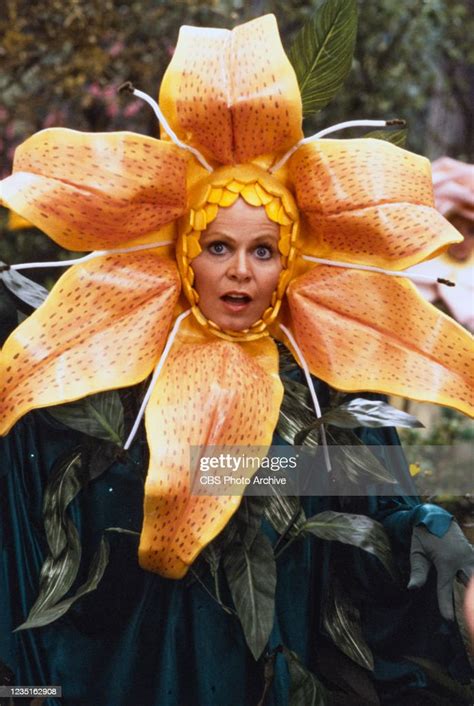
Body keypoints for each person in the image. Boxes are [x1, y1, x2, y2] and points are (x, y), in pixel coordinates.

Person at [1, 13, 473, 706]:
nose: (241, 273)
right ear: (182, 251)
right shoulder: (111, 361)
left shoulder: (318, 379)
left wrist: (430, 532)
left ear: (290, 262)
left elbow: (359, 503)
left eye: (263, 250)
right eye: (218, 247)